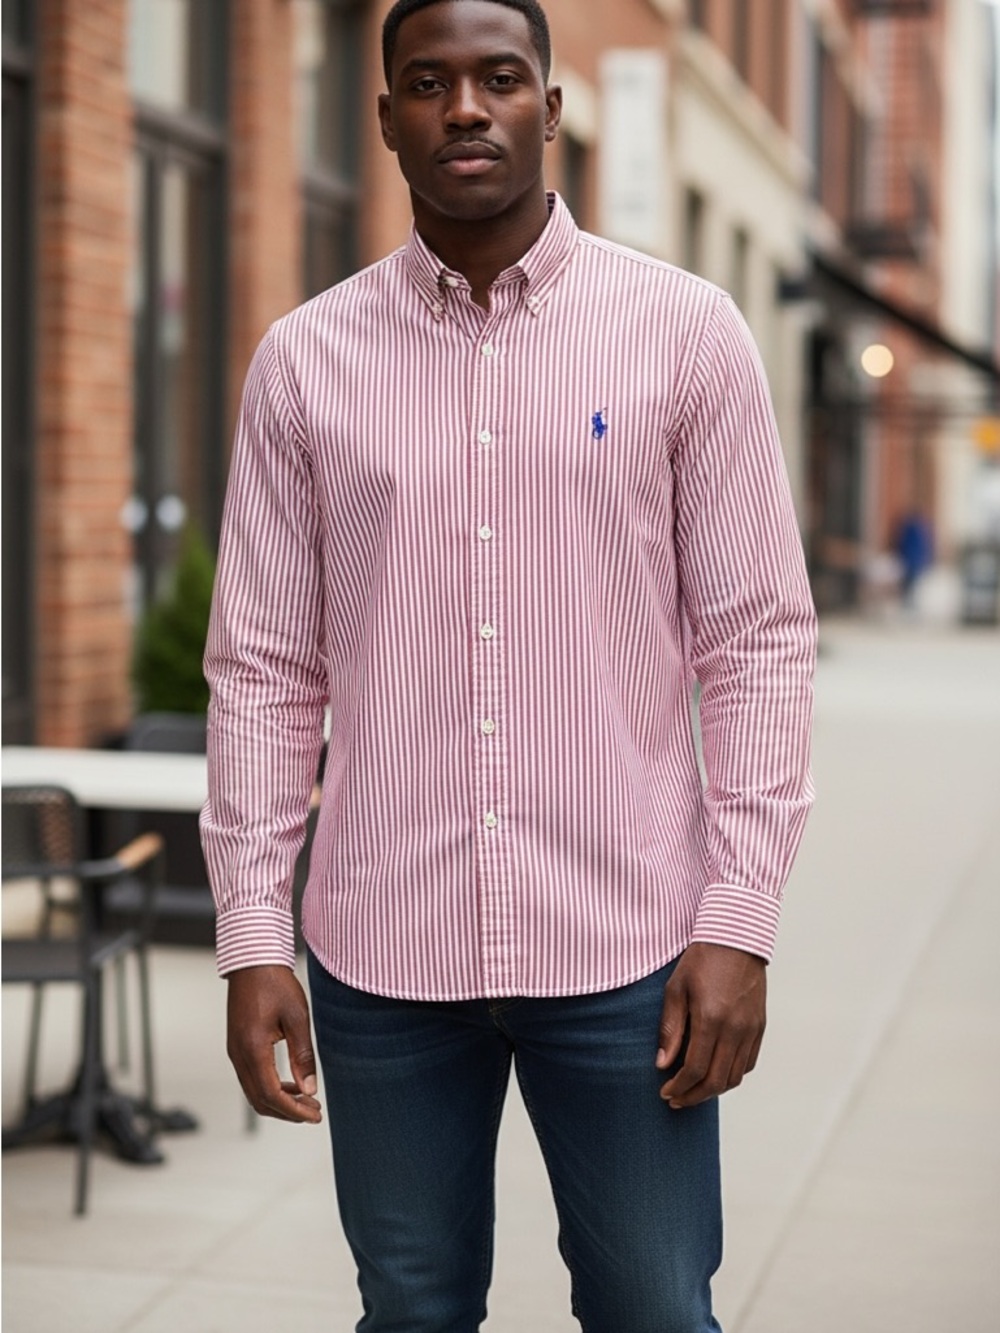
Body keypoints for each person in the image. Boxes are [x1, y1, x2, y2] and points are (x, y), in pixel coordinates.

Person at [200, 1, 816, 1328]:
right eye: (428, 82)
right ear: (386, 121)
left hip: (628, 950)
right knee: (412, 1308)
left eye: (499, 78)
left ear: (549, 105)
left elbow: (758, 637)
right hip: (384, 953)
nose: (465, 107)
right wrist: (253, 934)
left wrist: (739, 917)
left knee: (654, 1305)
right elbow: (261, 665)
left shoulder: (686, 333)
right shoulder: (306, 364)